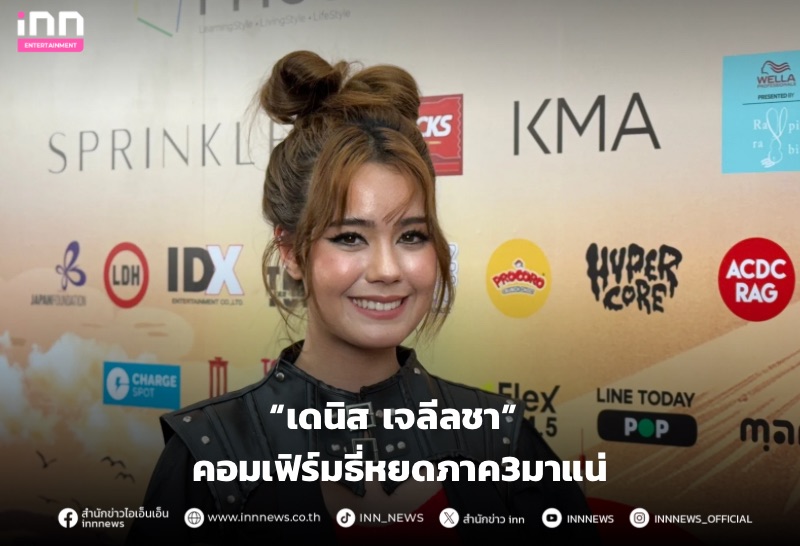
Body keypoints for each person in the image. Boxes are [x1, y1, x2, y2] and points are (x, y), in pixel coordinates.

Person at [126, 50, 600, 545]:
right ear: (290, 251)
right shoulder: (210, 453)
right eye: (350, 237)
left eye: (412, 236)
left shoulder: (502, 441)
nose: (387, 270)